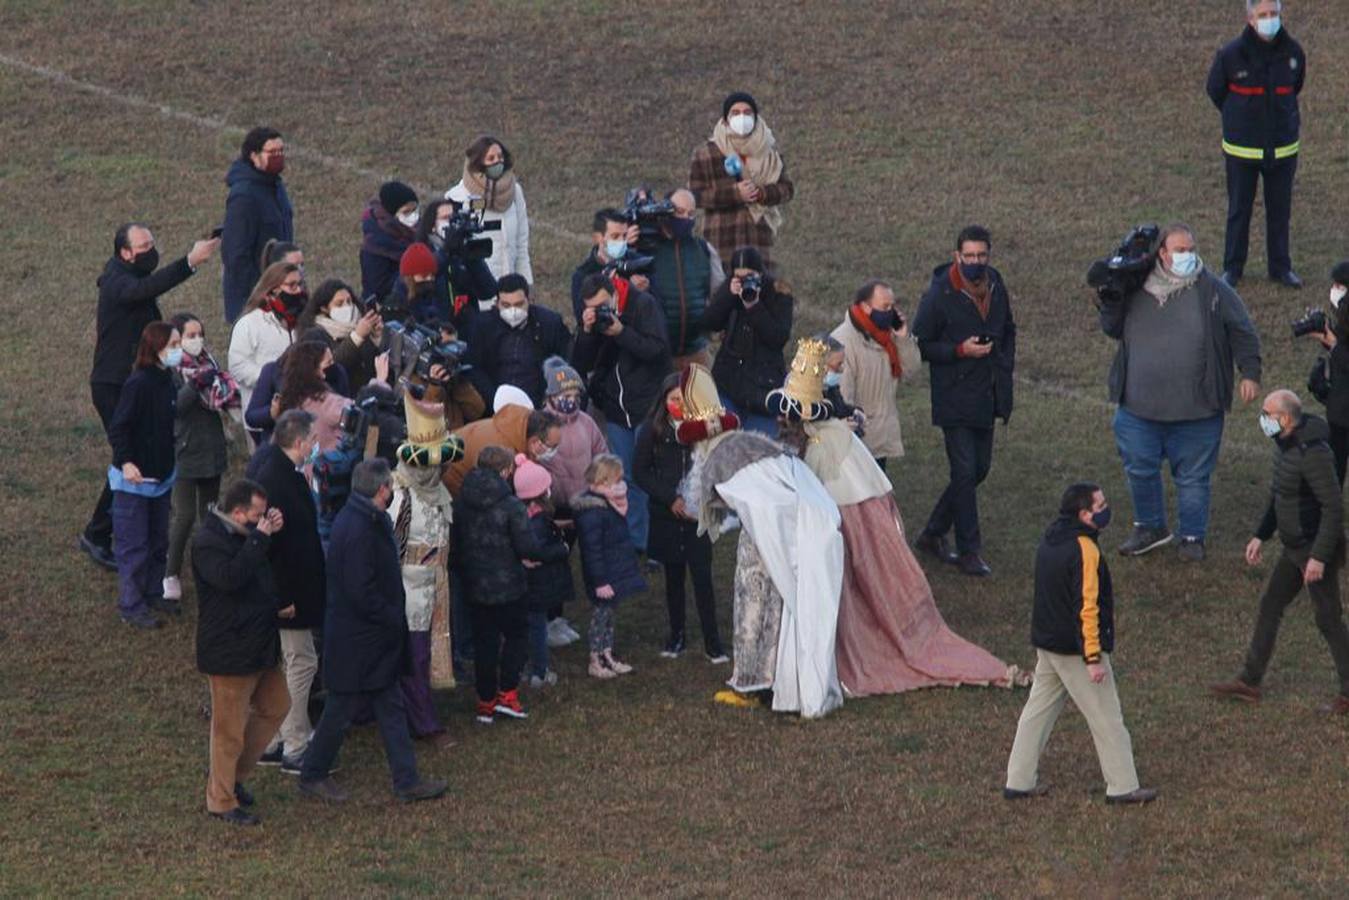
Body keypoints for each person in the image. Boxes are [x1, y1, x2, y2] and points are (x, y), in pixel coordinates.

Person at [771, 339, 1024, 696]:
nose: (839, 372)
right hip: (844, 491)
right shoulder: (821, 436)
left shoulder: (820, 431)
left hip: (845, 490)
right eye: (835, 366)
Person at [676, 364, 845, 718]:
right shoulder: (749, 442)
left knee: (753, 604)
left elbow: (759, 505)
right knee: (777, 607)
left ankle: (751, 683)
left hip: (773, 539)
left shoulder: (721, 457)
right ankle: (775, 681)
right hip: (795, 531)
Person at [1100, 223, 1262, 562]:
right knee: (1139, 470)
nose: (1188, 256)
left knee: (1193, 478)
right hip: (1138, 408)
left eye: (1191, 249)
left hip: (1198, 410)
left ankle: (1192, 537)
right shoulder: (1134, 287)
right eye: (1180, 250)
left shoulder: (1214, 290)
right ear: (1162, 253)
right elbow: (1111, 328)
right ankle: (1149, 527)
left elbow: (1243, 331)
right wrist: (1111, 295)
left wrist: (1250, 373)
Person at [299, 459, 447, 804]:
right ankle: (313, 773)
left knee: (389, 705)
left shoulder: (361, 519)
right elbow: (360, 590)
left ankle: (407, 780)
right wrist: (392, 615)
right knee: (340, 710)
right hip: (360, 639)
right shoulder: (358, 528)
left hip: (369, 640)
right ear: (382, 490)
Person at [1003, 482, 1158, 805]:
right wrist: (1093, 658)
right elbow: (1087, 607)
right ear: (1084, 514)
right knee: (1107, 717)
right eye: (1100, 506)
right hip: (1075, 649)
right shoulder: (1085, 550)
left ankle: (1018, 780)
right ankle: (1123, 785)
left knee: (1037, 712)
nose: (1106, 509)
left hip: (1048, 644)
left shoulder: (1050, 539)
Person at [82, 224, 218, 571]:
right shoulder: (118, 282)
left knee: (136, 454)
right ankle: (98, 533)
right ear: (124, 253)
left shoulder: (125, 277)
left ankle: (118, 523)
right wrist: (190, 261)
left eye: (152, 243)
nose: (150, 250)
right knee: (127, 458)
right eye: (143, 246)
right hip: (114, 385)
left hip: (131, 382)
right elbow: (146, 288)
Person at [1211, 390, 1349, 715]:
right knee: (1271, 604)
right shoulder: (1285, 447)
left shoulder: (1311, 453)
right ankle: (1250, 681)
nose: (1262, 419)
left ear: (1285, 419)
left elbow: (1332, 508)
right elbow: (1281, 495)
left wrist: (1318, 557)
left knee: (1329, 619)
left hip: (1314, 548)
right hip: (1295, 547)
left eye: (1267, 413)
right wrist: (1261, 534)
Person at [911, 225, 1017, 577]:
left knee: (978, 469)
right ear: (957, 256)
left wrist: (1003, 362)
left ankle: (933, 532)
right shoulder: (940, 294)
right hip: (954, 395)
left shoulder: (996, 284)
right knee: (964, 470)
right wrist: (959, 350)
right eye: (969, 256)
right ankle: (969, 549)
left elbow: (1008, 328)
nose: (976, 262)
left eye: (981, 256)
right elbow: (920, 344)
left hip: (987, 393)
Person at [193, 479, 289, 826]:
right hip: (229, 651)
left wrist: (269, 535)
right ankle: (220, 799)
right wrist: (261, 538)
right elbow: (231, 578)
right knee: (228, 728)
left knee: (277, 706)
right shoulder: (208, 543)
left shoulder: (247, 536)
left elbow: (258, 568)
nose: (262, 519)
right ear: (237, 513)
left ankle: (233, 776)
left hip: (257, 645)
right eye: (257, 514)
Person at [454, 446, 567, 722]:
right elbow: (528, 548)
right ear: (505, 471)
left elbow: (456, 545)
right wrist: (559, 550)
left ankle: (485, 701)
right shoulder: (511, 505)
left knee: (485, 644)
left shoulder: (461, 501)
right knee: (517, 637)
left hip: (475, 585)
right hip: (509, 586)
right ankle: (507, 693)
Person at [245, 410, 327, 773]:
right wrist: (284, 598)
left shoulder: (278, 475)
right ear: (299, 442)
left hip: (290, 592)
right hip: (289, 597)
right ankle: (295, 743)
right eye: (312, 440)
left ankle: (273, 741)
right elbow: (273, 550)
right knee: (302, 662)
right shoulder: (277, 481)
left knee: (287, 664)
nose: (315, 446)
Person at [1206, 0, 1305, 289]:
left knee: (1280, 210)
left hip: (1283, 149)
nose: (1269, 20)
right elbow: (1216, 91)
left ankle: (1281, 268)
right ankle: (1233, 268)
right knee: (1239, 209)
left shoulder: (1294, 53)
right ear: (1250, 18)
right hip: (1242, 151)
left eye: (1274, 14)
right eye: (1263, 15)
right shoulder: (1230, 55)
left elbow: (1296, 86)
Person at [571, 272, 673, 553]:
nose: (602, 311)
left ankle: (658, 544)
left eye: (605, 304)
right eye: (594, 308)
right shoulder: (595, 320)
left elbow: (658, 351)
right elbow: (579, 362)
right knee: (625, 477)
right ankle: (635, 541)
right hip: (616, 409)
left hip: (648, 406)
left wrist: (622, 333)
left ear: (615, 293)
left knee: (651, 475)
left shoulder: (643, 306)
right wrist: (588, 332)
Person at [633, 373, 726, 663]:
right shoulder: (652, 430)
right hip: (667, 517)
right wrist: (668, 498)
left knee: (702, 578)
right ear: (664, 401)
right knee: (673, 579)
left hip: (697, 516)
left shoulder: (704, 429)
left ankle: (714, 642)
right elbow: (640, 472)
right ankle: (676, 636)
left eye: (683, 399)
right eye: (673, 399)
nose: (678, 404)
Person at [388, 394, 464, 748]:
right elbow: (392, 549)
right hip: (408, 593)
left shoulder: (438, 493)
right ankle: (423, 724)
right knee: (414, 659)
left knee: (425, 655)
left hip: (434, 588)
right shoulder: (400, 498)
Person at [107, 322, 183, 629]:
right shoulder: (138, 384)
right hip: (135, 483)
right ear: (157, 349)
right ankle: (131, 604)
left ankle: (153, 592)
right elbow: (119, 427)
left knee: (157, 541)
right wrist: (126, 461)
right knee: (134, 546)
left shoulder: (169, 380)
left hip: (160, 478)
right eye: (174, 344)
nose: (178, 350)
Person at [163, 313, 238, 602]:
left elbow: (224, 394)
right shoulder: (171, 370)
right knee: (184, 515)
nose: (197, 340)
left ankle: (209, 566)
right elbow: (176, 408)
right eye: (189, 336)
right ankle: (170, 572)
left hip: (211, 449)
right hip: (185, 451)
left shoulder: (211, 365)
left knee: (210, 512)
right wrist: (194, 386)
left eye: (199, 334)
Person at [537, 356, 605, 647]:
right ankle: (549, 619)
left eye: (576, 395)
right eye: (565, 396)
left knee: (576, 561)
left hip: (583, 503)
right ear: (551, 396)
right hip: (555, 507)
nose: (571, 400)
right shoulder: (541, 423)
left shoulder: (587, 422)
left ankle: (563, 615)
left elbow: (601, 451)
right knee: (553, 564)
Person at [688, 91, 794, 267]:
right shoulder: (706, 153)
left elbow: (787, 190)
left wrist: (762, 193)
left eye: (747, 112)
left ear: (755, 117)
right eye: (735, 113)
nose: (742, 118)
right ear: (726, 119)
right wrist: (735, 194)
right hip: (721, 241)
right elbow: (695, 197)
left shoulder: (769, 153)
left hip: (759, 240)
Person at [830, 279, 921, 469]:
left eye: (892, 306)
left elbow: (912, 370)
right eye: (885, 306)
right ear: (865, 307)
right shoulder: (844, 341)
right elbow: (843, 394)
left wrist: (903, 339)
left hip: (880, 435)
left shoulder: (887, 338)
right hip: (859, 439)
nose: (890, 312)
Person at [702, 246, 793, 436]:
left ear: (760, 273)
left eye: (750, 276)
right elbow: (710, 322)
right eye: (740, 277)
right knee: (724, 443)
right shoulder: (729, 292)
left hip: (763, 388)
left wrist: (754, 307)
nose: (746, 282)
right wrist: (728, 295)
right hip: (728, 382)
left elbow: (778, 338)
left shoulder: (779, 294)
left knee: (760, 448)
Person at [572, 454, 646, 679]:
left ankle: (607, 653)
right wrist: (600, 581)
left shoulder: (610, 502)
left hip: (614, 570)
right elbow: (592, 551)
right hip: (604, 576)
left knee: (610, 615)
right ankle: (595, 658)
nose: (621, 484)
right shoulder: (593, 512)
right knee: (601, 617)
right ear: (603, 481)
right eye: (616, 480)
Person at [646, 188, 726, 369]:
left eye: (690, 214)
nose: (685, 218)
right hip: (658, 354)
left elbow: (718, 294)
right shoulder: (647, 247)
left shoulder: (704, 249)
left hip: (696, 350)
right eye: (679, 212)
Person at [222, 126, 295, 323]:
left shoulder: (275, 186)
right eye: (272, 152)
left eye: (281, 151)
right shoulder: (244, 196)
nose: (279, 156)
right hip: (255, 301)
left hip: (279, 290)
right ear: (254, 156)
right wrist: (260, 293)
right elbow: (236, 255)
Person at [464, 273, 571, 406]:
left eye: (519, 304)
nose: (513, 310)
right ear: (497, 304)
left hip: (538, 405)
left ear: (529, 300)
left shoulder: (549, 324)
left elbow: (565, 363)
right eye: (506, 305)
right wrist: (495, 399)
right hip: (495, 405)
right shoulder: (483, 326)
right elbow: (474, 367)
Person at [513, 454, 573, 688]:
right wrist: (562, 548)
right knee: (537, 627)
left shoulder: (523, 515)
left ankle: (528, 667)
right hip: (537, 585)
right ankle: (539, 670)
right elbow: (538, 551)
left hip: (527, 584)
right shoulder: (538, 521)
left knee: (528, 626)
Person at [444, 135, 533, 283]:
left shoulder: (515, 192)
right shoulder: (457, 197)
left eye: (500, 157)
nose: (497, 161)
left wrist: (526, 282)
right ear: (478, 163)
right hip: (476, 288)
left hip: (509, 287)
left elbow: (521, 244)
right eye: (491, 158)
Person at [228, 261, 304, 416]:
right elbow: (238, 366)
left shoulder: (301, 321)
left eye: (300, 284)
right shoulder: (249, 324)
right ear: (273, 289)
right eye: (292, 285)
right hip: (262, 412)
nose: (298, 291)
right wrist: (272, 379)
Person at [1304, 261, 1349, 482]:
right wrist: (1327, 340)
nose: (1335, 289)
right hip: (1340, 406)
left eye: (1340, 285)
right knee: (1336, 462)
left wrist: (1333, 344)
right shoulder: (1343, 315)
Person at [299, 279, 385, 393]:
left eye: (349, 301)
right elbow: (332, 366)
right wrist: (356, 337)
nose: (347, 307)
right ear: (324, 308)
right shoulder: (314, 334)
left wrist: (377, 338)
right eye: (339, 303)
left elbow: (375, 364)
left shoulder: (361, 326)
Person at [570, 208, 645, 320]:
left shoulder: (639, 263)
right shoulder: (582, 276)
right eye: (615, 236)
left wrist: (646, 291)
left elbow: (657, 308)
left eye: (624, 236)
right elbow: (583, 321)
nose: (621, 241)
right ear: (598, 238)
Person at [275, 342, 350, 453]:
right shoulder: (325, 401)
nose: (334, 366)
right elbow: (358, 415)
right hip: (330, 465)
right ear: (315, 370)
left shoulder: (292, 398)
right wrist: (379, 382)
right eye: (329, 362)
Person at [361, 180, 419, 300]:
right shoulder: (375, 245)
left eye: (415, 210)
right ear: (392, 214)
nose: (413, 216)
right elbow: (380, 288)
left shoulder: (417, 231)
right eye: (406, 212)